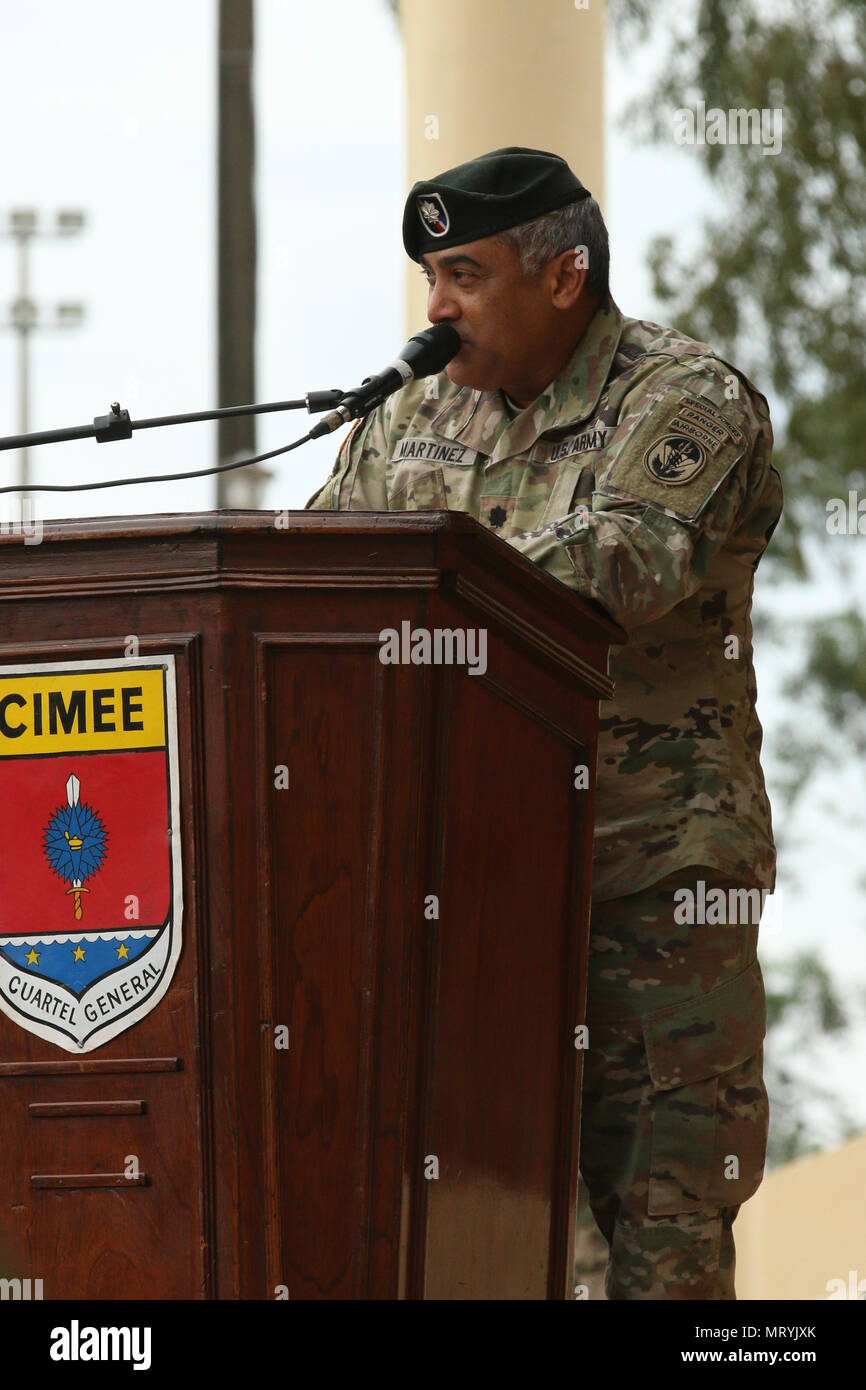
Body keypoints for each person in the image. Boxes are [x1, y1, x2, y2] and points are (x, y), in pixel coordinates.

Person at [305, 146, 782, 1300]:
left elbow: (619, 562)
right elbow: (307, 584)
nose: (436, 309)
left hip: (646, 889)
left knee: (655, 1249)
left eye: (463, 274)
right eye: (429, 276)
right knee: (479, 1241)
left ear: (562, 276)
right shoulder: (406, 418)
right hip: (460, 898)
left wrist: (416, 595)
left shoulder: (685, 400)